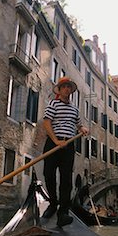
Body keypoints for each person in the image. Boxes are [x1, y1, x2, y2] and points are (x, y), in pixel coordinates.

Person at [42, 77, 89, 227]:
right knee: (48, 173)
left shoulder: (75, 109)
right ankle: (53, 203)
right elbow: (47, 122)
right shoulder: (53, 104)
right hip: (53, 143)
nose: (67, 89)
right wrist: (56, 141)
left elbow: (79, 124)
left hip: (69, 145)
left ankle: (63, 212)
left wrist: (83, 129)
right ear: (60, 89)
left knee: (66, 179)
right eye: (64, 87)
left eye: (69, 87)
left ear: (71, 90)